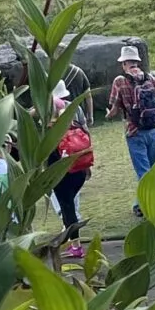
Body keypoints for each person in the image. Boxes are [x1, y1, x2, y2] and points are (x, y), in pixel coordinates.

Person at [107, 49, 155, 181]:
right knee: (150, 167)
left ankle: (148, 201)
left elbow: (114, 110)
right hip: (152, 129)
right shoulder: (150, 78)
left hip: (134, 130)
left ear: (124, 63)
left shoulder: (120, 81)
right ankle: (142, 201)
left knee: (143, 172)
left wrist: (108, 115)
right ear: (138, 62)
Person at [52, 98, 94, 245]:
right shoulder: (76, 127)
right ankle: (70, 240)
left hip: (63, 176)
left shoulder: (53, 134)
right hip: (79, 172)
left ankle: (75, 245)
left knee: (68, 210)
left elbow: (51, 159)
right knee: (69, 207)